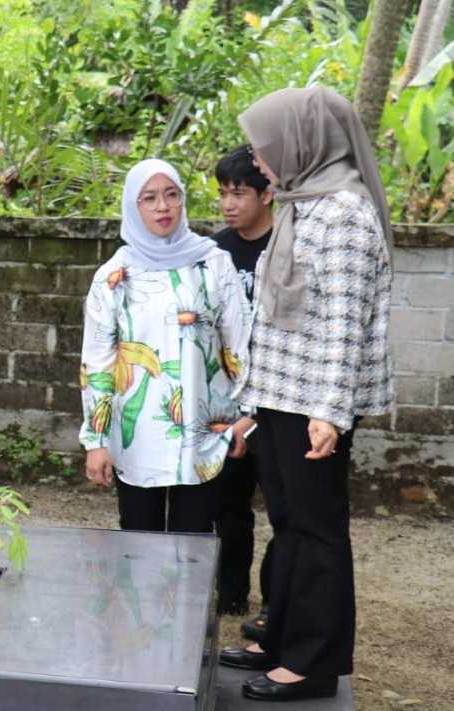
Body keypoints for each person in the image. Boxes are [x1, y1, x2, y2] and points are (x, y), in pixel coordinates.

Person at [218, 86, 394, 703]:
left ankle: (314, 663)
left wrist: (329, 411)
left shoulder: (343, 212)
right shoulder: (304, 202)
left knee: (317, 529)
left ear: (302, 143)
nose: (259, 163)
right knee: (289, 523)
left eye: (265, 150)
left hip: (312, 399)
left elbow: (344, 319)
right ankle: (281, 637)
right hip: (281, 393)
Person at [80, 158, 252, 534]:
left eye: (172, 195)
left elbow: (239, 345)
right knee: (140, 542)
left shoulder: (213, 265)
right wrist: (96, 440)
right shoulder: (114, 277)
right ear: (132, 206)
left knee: (194, 542)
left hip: (204, 432)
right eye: (150, 198)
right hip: (136, 435)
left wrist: (246, 417)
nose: (163, 207)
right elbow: (98, 364)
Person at [210, 145, 275, 623]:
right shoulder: (215, 253)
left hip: (277, 400)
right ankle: (232, 595)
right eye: (223, 194)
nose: (229, 204)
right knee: (229, 506)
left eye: (239, 193)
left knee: (287, 512)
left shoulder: (287, 247)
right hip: (229, 404)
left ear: (267, 193)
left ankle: (277, 599)